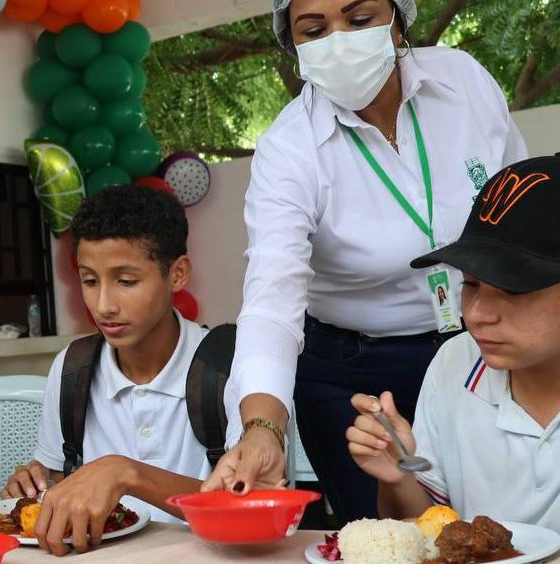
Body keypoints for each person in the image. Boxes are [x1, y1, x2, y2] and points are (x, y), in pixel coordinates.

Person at [205, 0, 528, 524]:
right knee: (386, 537)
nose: (339, 40)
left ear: (399, 18)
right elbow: (272, 296)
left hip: (481, 351)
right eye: (314, 29)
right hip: (356, 377)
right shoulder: (290, 149)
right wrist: (262, 428)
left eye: (358, 21)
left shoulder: (463, 83)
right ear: (293, 46)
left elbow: (525, 209)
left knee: (492, 526)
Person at [1, 187, 226, 556]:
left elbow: (257, 510)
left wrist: (128, 474)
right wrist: (35, 490)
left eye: (126, 281)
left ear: (177, 274)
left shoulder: (227, 368)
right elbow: (58, 482)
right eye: (90, 281)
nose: (103, 305)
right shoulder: (72, 368)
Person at [347, 155, 560, 529]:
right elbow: (428, 527)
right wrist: (397, 474)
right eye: (471, 284)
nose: (477, 314)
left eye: (511, 287)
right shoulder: (457, 362)